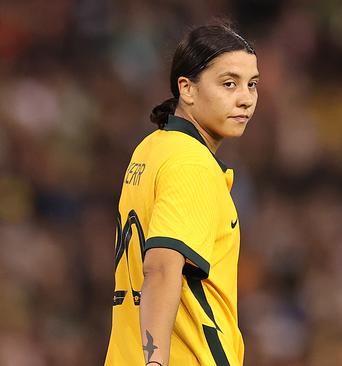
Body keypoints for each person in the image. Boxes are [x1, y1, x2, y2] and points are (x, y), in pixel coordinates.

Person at [104, 21, 259, 366]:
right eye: (228, 83)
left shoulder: (150, 149)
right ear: (186, 89)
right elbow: (160, 268)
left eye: (251, 84)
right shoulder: (192, 164)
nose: (245, 98)